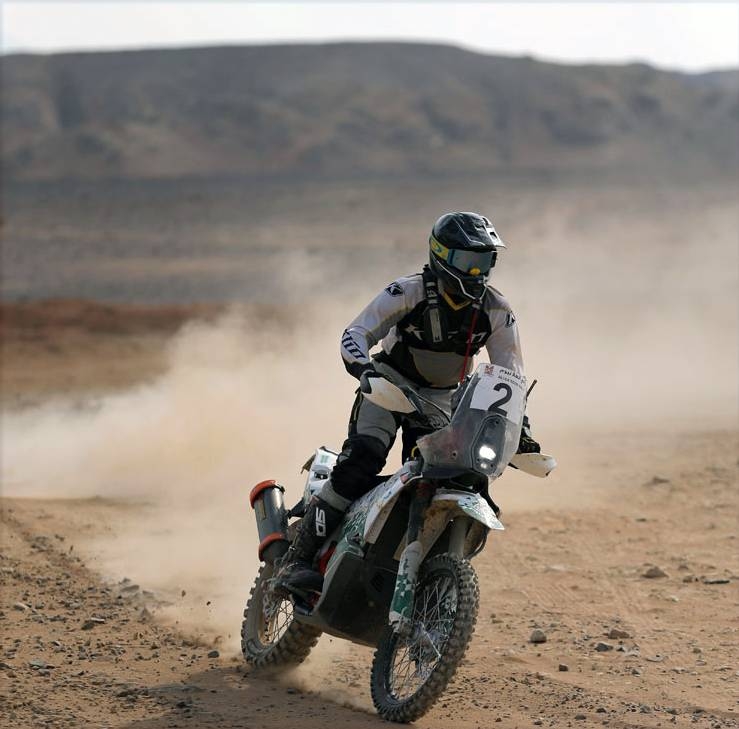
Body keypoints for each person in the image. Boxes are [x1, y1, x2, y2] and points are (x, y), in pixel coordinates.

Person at [275, 211, 540, 598]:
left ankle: (420, 574)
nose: (477, 273)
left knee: (448, 477)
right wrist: (364, 369)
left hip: (441, 400)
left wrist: (523, 429)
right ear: (441, 256)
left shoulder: (497, 310)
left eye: (485, 262)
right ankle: (298, 560)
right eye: (468, 262)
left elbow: (510, 375)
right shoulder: (409, 291)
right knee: (364, 458)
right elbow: (356, 332)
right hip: (389, 385)